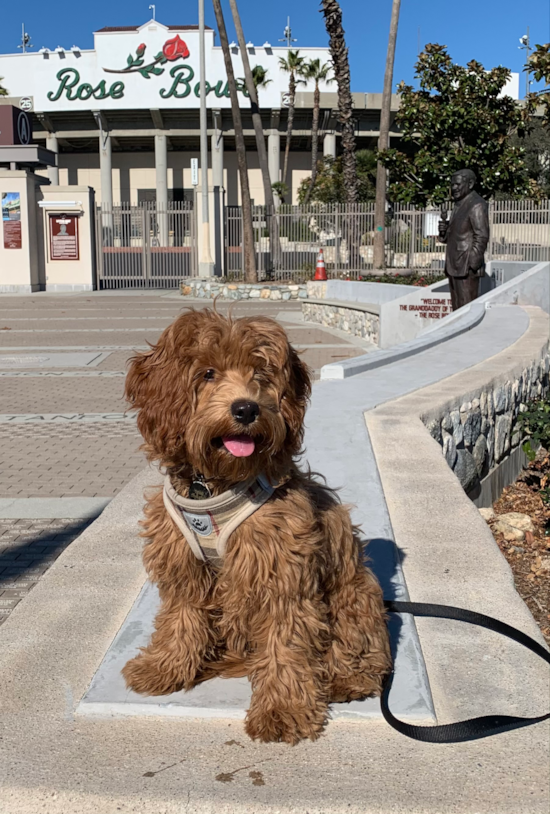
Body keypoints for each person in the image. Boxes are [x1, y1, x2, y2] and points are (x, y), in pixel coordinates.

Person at [438, 169, 489, 311]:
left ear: (470, 184)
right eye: (452, 184)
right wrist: (444, 231)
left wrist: (472, 263)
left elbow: (482, 236)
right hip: (454, 264)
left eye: (458, 184)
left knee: (466, 309)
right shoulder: (459, 204)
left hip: (466, 266)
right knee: (456, 309)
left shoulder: (476, 204)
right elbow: (456, 235)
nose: (453, 188)